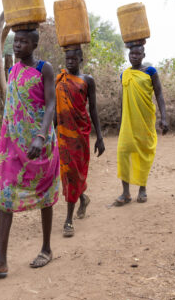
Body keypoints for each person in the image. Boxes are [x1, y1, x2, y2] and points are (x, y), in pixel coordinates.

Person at [0, 25, 60, 278]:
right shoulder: (13, 70)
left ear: (34, 45)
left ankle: (46, 248)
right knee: (5, 196)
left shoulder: (44, 69)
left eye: (23, 41)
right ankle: (0, 260)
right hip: (14, 147)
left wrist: (40, 136)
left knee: (45, 194)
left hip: (39, 144)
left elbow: (51, 103)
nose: (18, 45)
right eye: (16, 40)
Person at [54, 46, 105, 237]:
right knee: (68, 174)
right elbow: (55, 109)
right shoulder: (59, 80)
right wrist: (49, 133)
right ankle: (79, 203)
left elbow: (93, 110)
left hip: (80, 135)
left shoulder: (87, 80)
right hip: (63, 134)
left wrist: (99, 137)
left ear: (81, 59)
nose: (70, 61)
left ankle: (69, 218)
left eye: (74, 58)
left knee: (74, 173)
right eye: (67, 58)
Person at [112, 42, 168, 206]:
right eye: (131, 54)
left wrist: (164, 118)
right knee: (123, 153)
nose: (134, 56)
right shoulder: (125, 74)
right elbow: (124, 99)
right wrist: (121, 120)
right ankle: (126, 192)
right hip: (128, 122)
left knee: (143, 152)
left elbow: (159, 95)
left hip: (145, 120)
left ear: (143, 55)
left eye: (137, 54)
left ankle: (142, 189)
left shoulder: (150, 72)